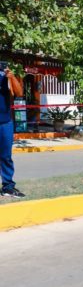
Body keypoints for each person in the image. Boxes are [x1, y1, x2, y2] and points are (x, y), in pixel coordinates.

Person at [0, 63, 25, 198]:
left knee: (6, 157)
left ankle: (8, 187)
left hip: (5, 123)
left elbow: (19, 93)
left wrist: (12, 77)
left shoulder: (5, 76)